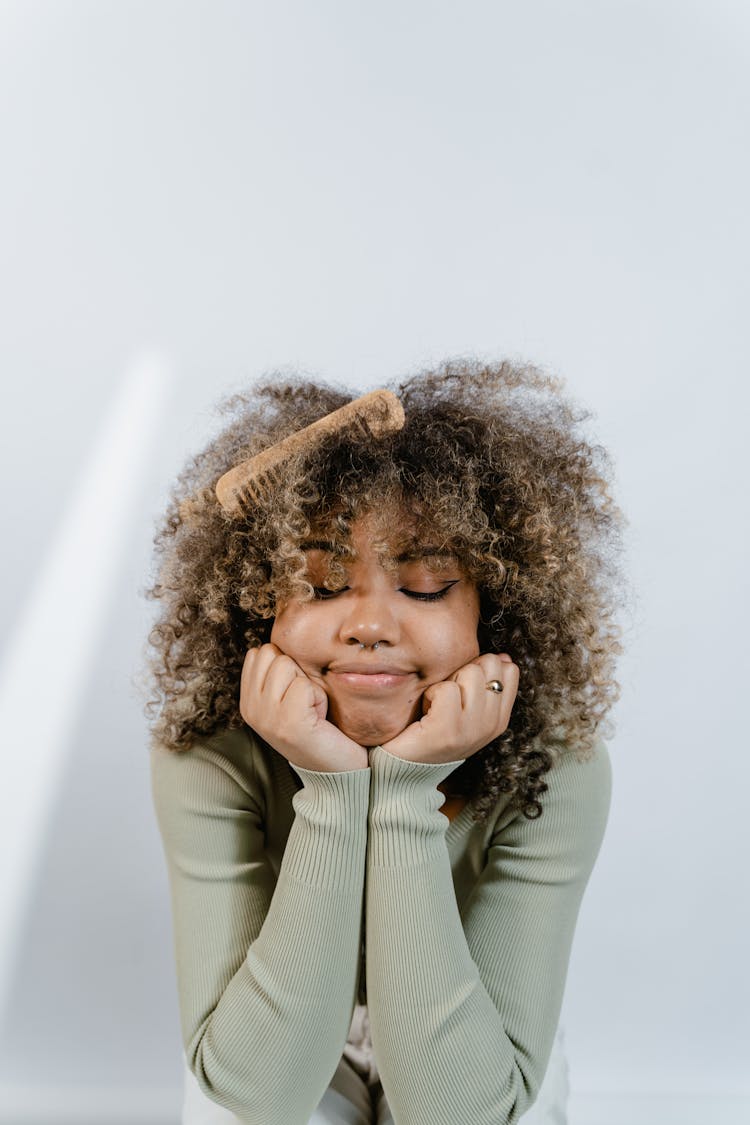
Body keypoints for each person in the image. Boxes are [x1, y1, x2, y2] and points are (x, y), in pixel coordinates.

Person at [144, 358, 628, 1125]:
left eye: (428, 586)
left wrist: (403, 785)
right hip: (279, 1025)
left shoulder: (557, 765)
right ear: (256, 606)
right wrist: (333, 784)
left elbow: (463, 1108)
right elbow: (257, 1095)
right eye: (323, 584)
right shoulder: (210, 753)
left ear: (492, 610)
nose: (369, 624)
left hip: (464, 1022)